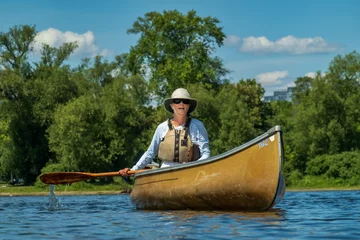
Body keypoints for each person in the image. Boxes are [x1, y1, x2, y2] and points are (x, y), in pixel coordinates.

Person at [119, 88, 210, 176]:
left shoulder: (198, 126)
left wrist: (192, 166)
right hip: (165, 173)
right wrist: (134, 169)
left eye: (185, 101)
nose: (181, 104)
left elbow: (206, 153)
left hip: (189, 173)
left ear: (189, 105)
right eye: (177, 101)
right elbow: (150, 153)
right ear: (172, 105)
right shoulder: (161, 127)